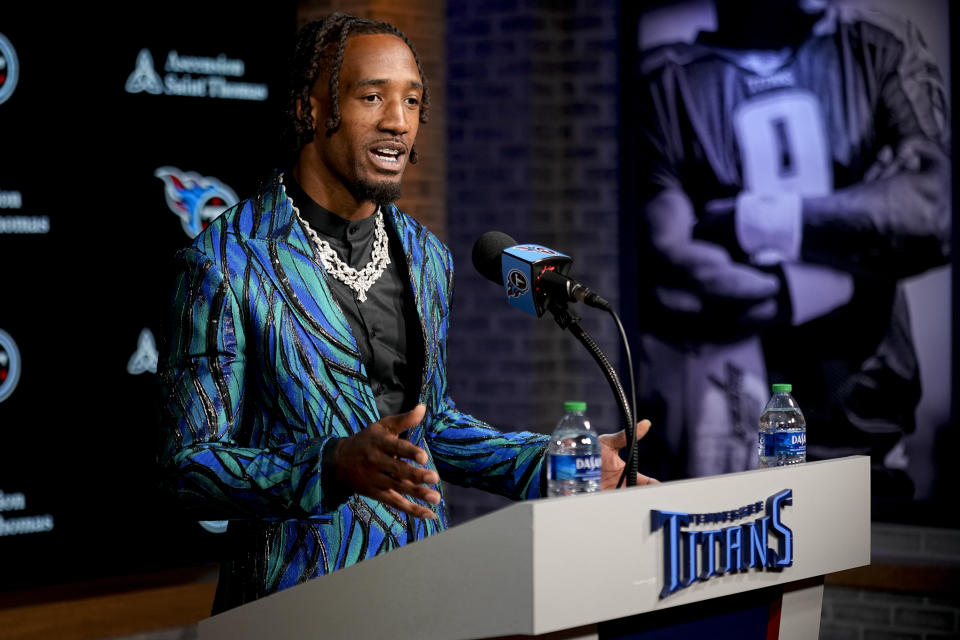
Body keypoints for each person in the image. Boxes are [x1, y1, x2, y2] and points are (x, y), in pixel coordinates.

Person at [159, 13, 655, 613]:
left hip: (421, 588)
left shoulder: (425, 256)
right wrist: (333, 464)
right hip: (293, 602)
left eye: (412, 101)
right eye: (372, 97)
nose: (397, 120)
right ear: (310, 110)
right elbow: (189, 467)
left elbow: (432, 425)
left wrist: (547, 464)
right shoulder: (226, 262)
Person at [633, 0, 950, 491]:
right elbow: (672, 273)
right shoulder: (666, 80)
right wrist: (854, 247)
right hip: (724, 443)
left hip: (863, 443)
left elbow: (933, 215)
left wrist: (750, 221)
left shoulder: (876, 45)